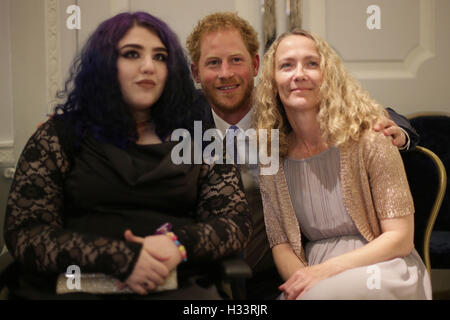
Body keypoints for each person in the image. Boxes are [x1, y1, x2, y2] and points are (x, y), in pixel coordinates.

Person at [3, 12, 252, 299]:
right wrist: (123, 258)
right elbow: (26, 232)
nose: (149, 66)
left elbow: (234, 222)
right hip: (74, 286)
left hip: (176, 284)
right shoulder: (60, 135)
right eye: (132, 54)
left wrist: (177, 244)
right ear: (105, 64)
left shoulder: (197, 138)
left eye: (160, 57)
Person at [186, 12, 420, 299]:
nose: (225, 73)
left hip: (275, 273)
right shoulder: (181, 122)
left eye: (236, 60)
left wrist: (399, 131)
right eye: (213, 63)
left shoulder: (283, 104)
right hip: (212, 272)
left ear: (256, 66)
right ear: (196, 73)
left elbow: (368, 115)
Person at [253, 29, 432, 299]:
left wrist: (323, 273)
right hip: (313, 274)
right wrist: (301, 284)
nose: (299, 74)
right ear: (272, 81)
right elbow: (281, 244)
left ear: (329, 76)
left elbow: (401, 238)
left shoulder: (372, 138)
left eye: (312, 63)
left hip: (381, 267)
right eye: (286, 65)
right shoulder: (272, 157)